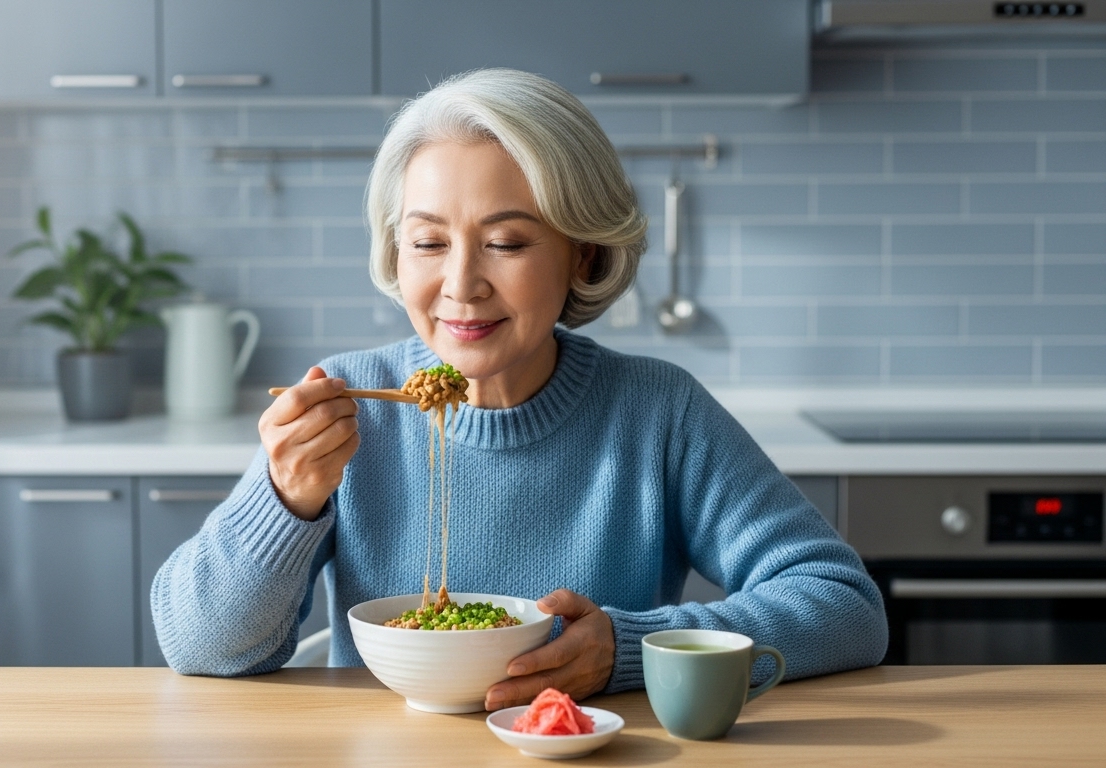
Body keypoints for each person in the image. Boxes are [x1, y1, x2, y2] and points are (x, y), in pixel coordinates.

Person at [152, 68, 886, 710]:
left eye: (505, 243)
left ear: (582, 256)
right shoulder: (354, 402)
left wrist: (632, 648)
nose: (461, 284)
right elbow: (198, 644)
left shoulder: (657, 411)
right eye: (428, 242)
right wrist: (285, 497)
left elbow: (845, 605)